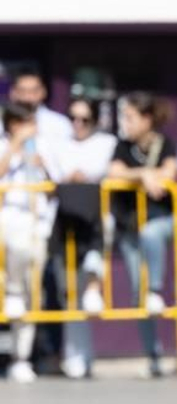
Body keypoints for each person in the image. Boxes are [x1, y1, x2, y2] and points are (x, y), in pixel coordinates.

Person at [40, 96, 116, 379]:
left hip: (94, 224)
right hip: (64, 225)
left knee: (88, 288)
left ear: (95, 120)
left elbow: (97, 170)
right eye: (73, 117)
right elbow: (59, 173)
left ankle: (95, 281)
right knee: (69, 294)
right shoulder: (59, 145)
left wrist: (80, 176)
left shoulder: (106, 143)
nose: (77, 124)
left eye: (84, 119)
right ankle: (77, 357)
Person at [107, 92, 177, 378]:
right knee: (138, 291)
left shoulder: (166, 143)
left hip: (160, 222)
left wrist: (143, 174)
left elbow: (169, 174)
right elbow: (114, 173)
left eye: (130, 117)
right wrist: (144, 175)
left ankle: (156, 287)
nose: (126, 123)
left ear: (147, 119)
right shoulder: (122, 146)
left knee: (151, 234)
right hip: (129, 227)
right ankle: (153, 354)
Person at [1, 104, 50, 382]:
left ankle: (21, 357)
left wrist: (43, 163)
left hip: (37, 224)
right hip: (7, 223)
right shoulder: (4, 145)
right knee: (14, 290)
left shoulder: (41, 148)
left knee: (33, 293)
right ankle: (14, 292)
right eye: (23, 123)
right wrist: (15, 146)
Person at [8, 72, 73, 143]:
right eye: (22, 91)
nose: (28, 97)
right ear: (13, 92)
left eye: (33, 91)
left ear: (43, 92)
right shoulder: (1, 124)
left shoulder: (60, 123)